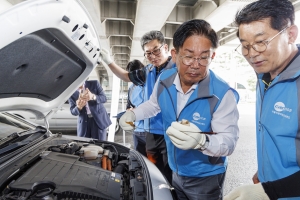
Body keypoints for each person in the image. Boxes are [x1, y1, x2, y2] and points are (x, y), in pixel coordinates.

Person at [119, 19, 240, 200]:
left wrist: (202, 141)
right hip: (176, 170)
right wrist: (133, 114)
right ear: (175, 54)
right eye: (189, 56)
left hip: (205, 177)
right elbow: (153, 106)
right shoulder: (165, 80)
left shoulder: (222, 94)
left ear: (212, 57)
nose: (195, 64)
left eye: (204, 57)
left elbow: (229, 141)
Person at [224, 0, 300, 200]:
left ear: (291, 34)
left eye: (260, 42)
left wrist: (270, 191)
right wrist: (266, 171)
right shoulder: (264, 75)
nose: (251, 54)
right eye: (245, 46)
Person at [100, 30, 174, 183]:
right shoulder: (148, 71)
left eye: (156, 50)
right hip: (151, 132)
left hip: (171, 132)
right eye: (148, 53)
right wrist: (109, 61)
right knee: (154, 175)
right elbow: (127, 77)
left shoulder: (178, 70)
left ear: (165, 47)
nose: (153, 56)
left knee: (171, 175)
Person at [125, 59, 147, 157]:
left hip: (151, 131)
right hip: (137, 131)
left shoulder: (151, 85)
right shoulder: (131, 88)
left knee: (154, 163)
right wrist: (129, 111)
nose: (135, 80)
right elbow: (128, 106)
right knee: (140, 160)